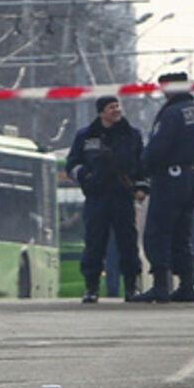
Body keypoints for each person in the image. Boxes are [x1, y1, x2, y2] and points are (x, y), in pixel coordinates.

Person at [131, 72, 194, 303]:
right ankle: (187, 285)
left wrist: (143, 167)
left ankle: (161, 285)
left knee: (158, 231)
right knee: (183, 232)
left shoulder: (172, 113)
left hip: (169, 177)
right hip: (191, 176)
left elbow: (158, 147)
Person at [65, 96, 147, 303]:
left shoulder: (132, 135)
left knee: (128, 243)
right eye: (111, 107)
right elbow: (72, 165)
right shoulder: (85, 136)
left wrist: (141, 187)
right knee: (94, 243)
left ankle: (131, 287)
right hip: (97, 198)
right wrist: (86, 176)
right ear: (101, 112)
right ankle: (91, 288)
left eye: (118, 106)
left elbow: (142, 164)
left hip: (122, 197)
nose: (116, 110)